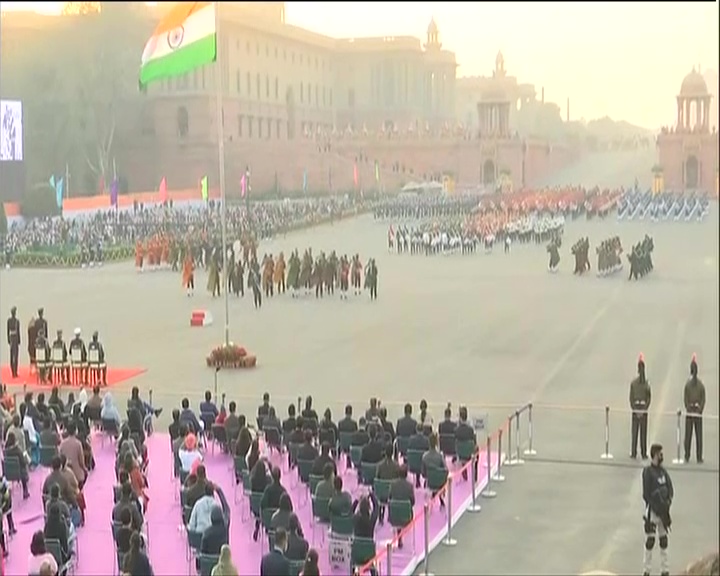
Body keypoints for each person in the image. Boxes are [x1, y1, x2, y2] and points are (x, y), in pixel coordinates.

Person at [642, 443, 674, 576]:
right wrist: (655, 507)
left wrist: (667, 505)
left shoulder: (663, 472)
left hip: (663, 512)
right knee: (650, 541)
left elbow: (670, 490)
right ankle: (646, 570)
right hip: (652, 512)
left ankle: (664, 570)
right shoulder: (648, 472)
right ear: (655, 455)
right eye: (660, 454)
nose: (662, 456)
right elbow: (646, 494)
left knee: (664, 540)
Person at [683, 354, 706, 464]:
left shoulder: (701, 385)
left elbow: (703, 399)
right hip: (690, 411)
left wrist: (699, 409)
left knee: (698, 436)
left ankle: (699, 456)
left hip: (697, 412)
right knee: (688, 435)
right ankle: (687, 454)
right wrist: (689, 408)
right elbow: (685, 398)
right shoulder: (687, 385)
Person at [630, 353, 652, 459]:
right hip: (638, 408)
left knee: (642, 433)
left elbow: (648, 398)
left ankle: (642, 452)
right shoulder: (634, 384)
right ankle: (634, 452)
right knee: (636, 432)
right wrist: (636, 409)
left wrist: (643, 409)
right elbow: (631, 398)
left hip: (642, 409)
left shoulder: (645, 384)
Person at [4, 432, 30, 498]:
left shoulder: (5, 451)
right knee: (24, 468)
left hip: (8, 472)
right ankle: (25, 490)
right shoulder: (18, 450)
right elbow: (23, 462)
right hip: (19, 472)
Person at [6, 306, 20, 379]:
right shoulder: (17, 321)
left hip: (11, 338)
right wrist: (19, 341)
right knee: (15, 356)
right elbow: (17, 331)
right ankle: (14, 372)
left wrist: (8, 339)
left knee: (13, 356)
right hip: (14, 339)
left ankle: (14, 372)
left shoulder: (9, 321)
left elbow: (7, 331)